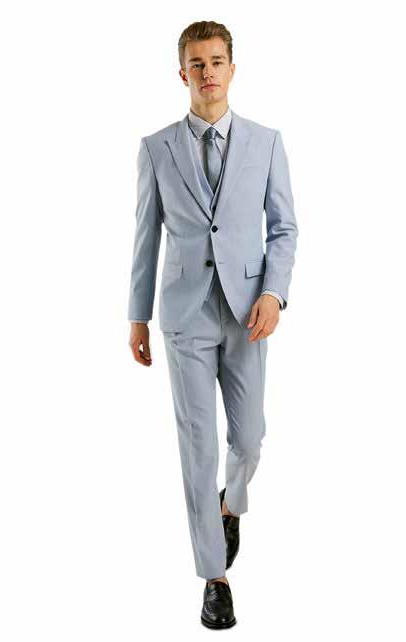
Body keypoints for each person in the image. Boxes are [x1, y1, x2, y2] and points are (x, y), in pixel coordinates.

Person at [127, 20, 298, 629]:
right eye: (196, 63)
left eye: (217, 61)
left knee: (248, 439)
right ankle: (214, 577)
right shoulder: (156, 148)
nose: (207, 72)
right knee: (198, 445)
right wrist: (138, 315)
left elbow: (284, 228)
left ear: (232, 68)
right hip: (185, 315)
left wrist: (274, 293)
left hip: (249, 313)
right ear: (183, 73)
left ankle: (232, 504)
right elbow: (145, 237)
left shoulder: (266, 143)